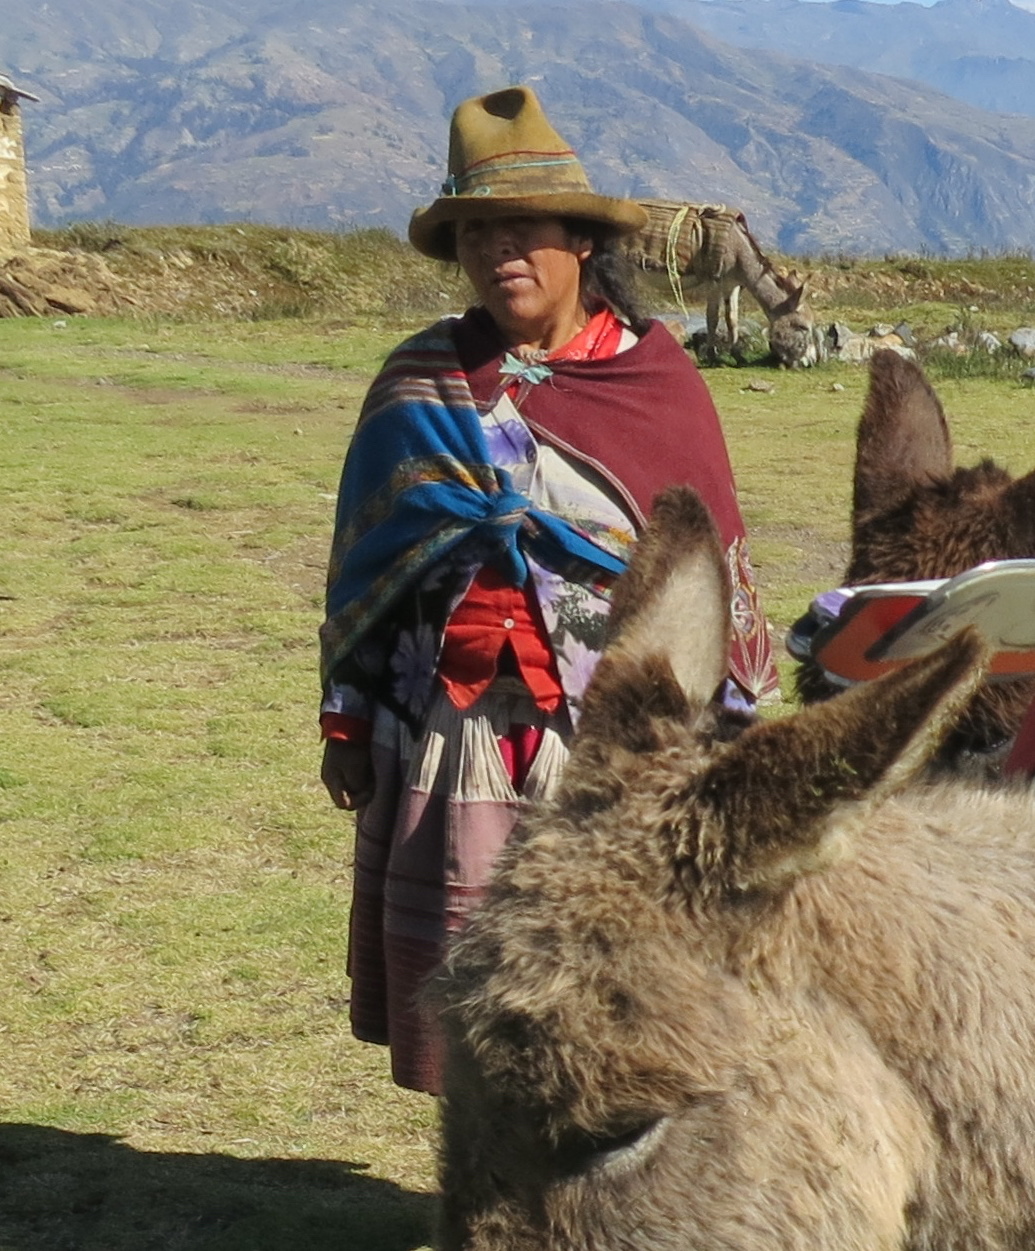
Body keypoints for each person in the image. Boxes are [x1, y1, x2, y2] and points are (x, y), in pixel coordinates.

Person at [319, 85, 780, 1092]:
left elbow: (716, 567)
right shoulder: (422, 383)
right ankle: (484, 1184)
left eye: (524, 229)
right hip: (465, 733)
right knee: (478, 983)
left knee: (614, 983)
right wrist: (347, 717)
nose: (501, 254)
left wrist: (733, 728)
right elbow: (366, 568)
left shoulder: (656, 382)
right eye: (478, 234)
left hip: (615, 741)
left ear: (580, 241)